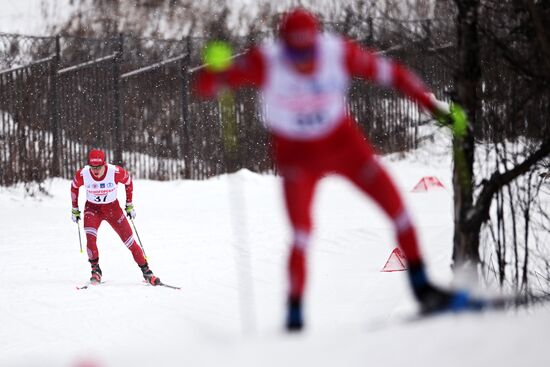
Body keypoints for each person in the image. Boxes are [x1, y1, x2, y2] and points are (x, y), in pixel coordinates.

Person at [194, 8, 472, 331]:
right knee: (301, 234)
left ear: (317, 41)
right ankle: (295, 316)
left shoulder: (336, 52)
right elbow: (206, 87)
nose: (302, 60)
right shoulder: (266, 60)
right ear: (283, 45)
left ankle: (424, 290)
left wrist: (433, 108)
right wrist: (218, 68)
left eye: (308, 50)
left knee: (397, 210)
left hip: (342, 144)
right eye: (294, 52)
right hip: (298, 155)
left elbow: (393, 74)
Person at [71, 149, 161, 286]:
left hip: (113, 209)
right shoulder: (83, 174)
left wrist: (129, 204)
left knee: (130, 242)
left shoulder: (115, 172)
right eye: (93, 167)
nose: (95, 171)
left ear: (104, 164)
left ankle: (146, 271)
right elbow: (74, 187)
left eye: (99, 167)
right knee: (90, 238)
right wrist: (75, 208)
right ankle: (95, 270)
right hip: (92, 209)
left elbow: (129, 182)